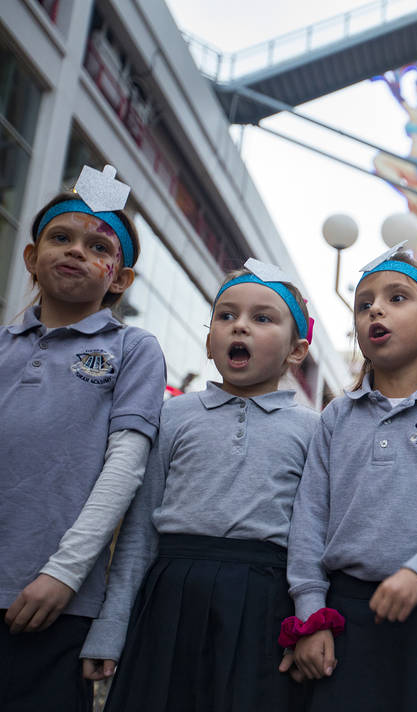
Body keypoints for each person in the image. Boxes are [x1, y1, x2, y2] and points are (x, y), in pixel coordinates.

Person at [81, 259, 316, 711]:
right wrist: (110, 628)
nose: (239, 327)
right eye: (226, 316)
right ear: (209, 342)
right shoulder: (171, 416)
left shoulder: (315, 430)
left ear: (296, 351)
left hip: (265, 599)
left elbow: (313, 538)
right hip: (170, 592)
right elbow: (138, 531)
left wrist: (306, 622)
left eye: (262, 318)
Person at [284, 245, 417, 712]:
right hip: (343, 619)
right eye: (364, 304)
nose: (376, 309)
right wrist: (311, 615)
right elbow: (308, 523)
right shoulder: (336, 416)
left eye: (397, 298)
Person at [0, 166, 165, 711]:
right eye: (60, 237)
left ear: (119, 278)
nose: (75, 251)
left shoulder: (134, 350)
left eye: (98, 246)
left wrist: (62, 574)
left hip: (55, 601)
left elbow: (125, 468)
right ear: (31, 257)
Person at [373, 64, 417, 225]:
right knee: (380, 160)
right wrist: (388, 80)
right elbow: (400, 97)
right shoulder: (414, 112)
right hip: (409, 164)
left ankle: (415, 200)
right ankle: (413, 197)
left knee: (415, 225)